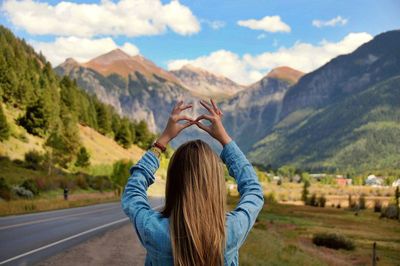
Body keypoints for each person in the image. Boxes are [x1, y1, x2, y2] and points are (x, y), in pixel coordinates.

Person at [121, 99, 264, 266]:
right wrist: (225, 140)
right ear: (215, 184)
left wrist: (161, 143)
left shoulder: (153, 229)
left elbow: (133, 193)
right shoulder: (232, 230)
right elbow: (253, 189)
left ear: (174, 183)